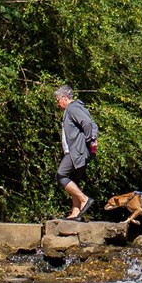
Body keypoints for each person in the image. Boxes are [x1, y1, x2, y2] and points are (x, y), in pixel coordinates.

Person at [54, 85, 98, 220]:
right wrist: (92, 142)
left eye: (58, 100)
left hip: (76, 151)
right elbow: (93, 124)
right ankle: (76, 212)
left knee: (61, 175)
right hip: (78, 151)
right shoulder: (77, 108)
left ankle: (84, 199)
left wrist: (90, 140)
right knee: (73, 179)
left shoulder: (72, 108)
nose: (57, 103)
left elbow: (88, 124)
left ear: (64, 98)